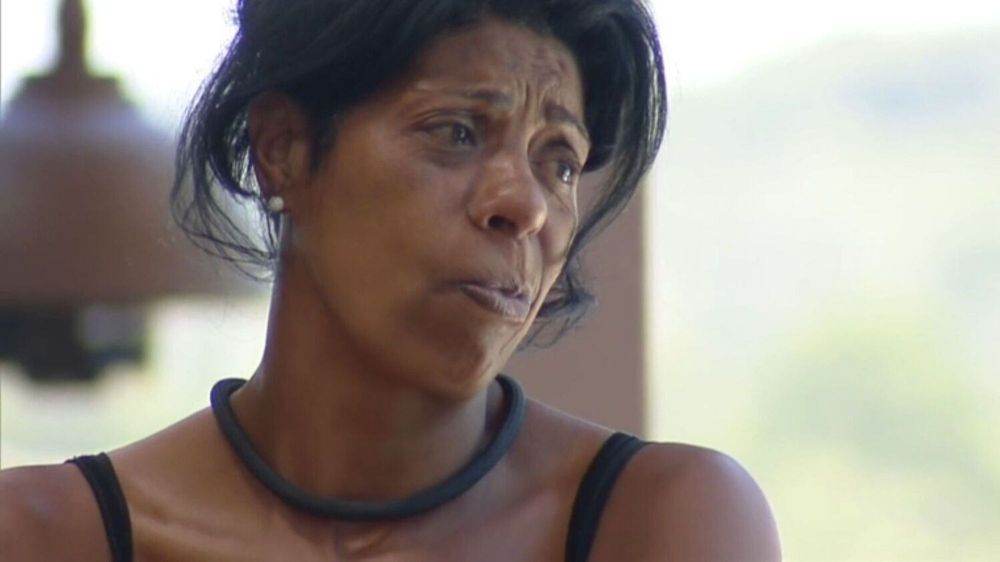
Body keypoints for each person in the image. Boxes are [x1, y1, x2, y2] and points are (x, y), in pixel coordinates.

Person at [0, 0, 781, 560]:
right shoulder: (46, 535)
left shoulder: (661, 520)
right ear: (283, 149)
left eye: (561, 163)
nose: (526, 205)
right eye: (458, 132)